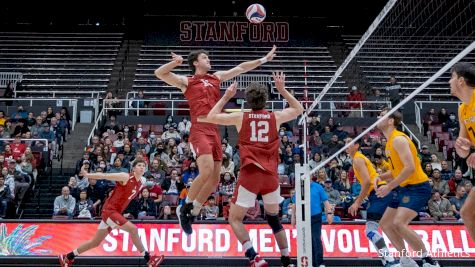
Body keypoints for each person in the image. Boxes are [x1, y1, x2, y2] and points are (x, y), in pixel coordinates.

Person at [154, 45, 277, 235]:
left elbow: (240, 68)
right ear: (195, 62)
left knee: (213, 181)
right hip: (199, 130)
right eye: (204, 57)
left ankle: (193, 211)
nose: (208, 60)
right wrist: (175, 63)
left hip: (215, 130)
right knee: (206, 171)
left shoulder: (216, 77)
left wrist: (264, 60)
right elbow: (159, 73)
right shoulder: (187, 81)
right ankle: (184, 207)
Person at [200, 72, 299, 267]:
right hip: (271, 176)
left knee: (234, 218)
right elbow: (299, 108)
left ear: (247, 100)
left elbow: (211, 117)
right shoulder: (275, 117)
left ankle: (254, 256)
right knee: (274, 219)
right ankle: (287, 260)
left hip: (250, 174)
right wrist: (282, 89)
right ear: (266, 99)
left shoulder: (240, 117)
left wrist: (226, 96)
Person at [58, 159, 163, 267]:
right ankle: (149, 259)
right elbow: (105, 175)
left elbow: (152, 184)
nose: (142, 167)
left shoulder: (142, 181)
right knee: (133, 229)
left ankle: (68, 257)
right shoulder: (125, 176)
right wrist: (87, 174)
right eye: (139, 165)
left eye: (143, 166)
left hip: (115, 213)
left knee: (95, 242)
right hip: (109, 211)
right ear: (134, 168)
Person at [375, 108, 439, 267]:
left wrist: (389, 186)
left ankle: (428, 260)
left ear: (390, 121)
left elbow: (409, 168)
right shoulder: (389, 142)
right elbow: (398, 170)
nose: (377, 117)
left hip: (417, 187)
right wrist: (381, 177)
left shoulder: (398, 139)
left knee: (398, 223)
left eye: (381, 116)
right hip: (404, 188)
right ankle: (406, 259)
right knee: (386, 224)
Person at [345, 138, 399, 267]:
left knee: (371, 230)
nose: (345, 145)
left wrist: (357, 202)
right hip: (381, 193)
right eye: (345, 142)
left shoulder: (358, 159)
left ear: (356, 145)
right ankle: (393, 259)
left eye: (349, 142)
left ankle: (390, 261)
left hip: (380, 192)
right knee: (384, 228)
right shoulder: (358, 158)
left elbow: (367, 182)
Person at [449, 62, 475, 241]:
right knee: (467, 213)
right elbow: (464, 152)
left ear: (460, 81)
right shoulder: (462, 109)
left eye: (451, 77)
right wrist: (463, 148)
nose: (449, 82)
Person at [291, 176, 334, 267]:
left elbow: (325, 201)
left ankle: (320, 262)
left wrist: (329, 213)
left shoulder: (318, 187)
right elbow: (295, 204)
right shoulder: (300, 188)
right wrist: (293, 217)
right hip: (303, 218)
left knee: (316, 239)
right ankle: (312, 263)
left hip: (316, 217)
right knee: (306, 241)